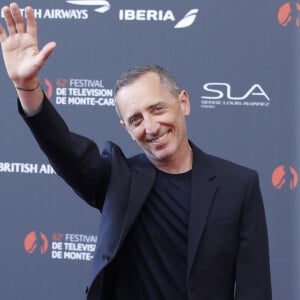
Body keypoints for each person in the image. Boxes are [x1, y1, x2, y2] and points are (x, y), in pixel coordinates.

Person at [0, 3, 272, 300]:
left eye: (157, 109)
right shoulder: (117, 179)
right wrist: (27, 87)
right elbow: (62, 145)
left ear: (183, 102)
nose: (151, 127)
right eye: (136, 119)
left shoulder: (239, 184)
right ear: (125, 128)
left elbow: (254, 287)